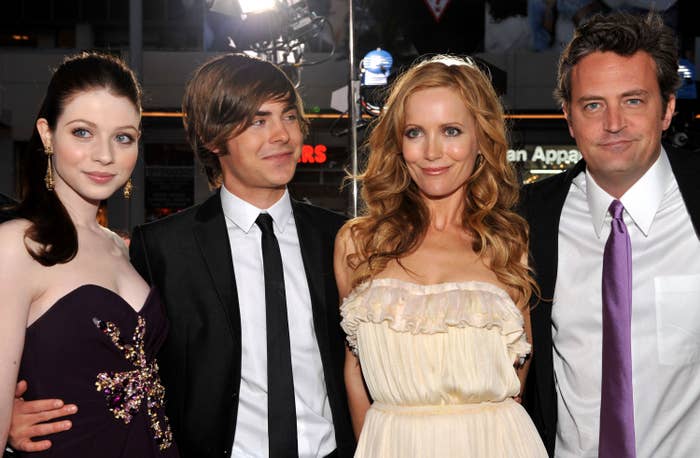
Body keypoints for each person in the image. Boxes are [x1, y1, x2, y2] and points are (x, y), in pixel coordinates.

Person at [8, 53, 355, 457]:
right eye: (258, 120)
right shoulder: (162, 247)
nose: (282, 135)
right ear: (212, 137)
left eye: (290, 116)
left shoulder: (342, 239)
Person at [334, 55, 548, 457]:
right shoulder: (359, 244)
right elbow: (355, 372)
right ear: (397, 143)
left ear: (481, 140)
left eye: (451, 131)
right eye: (415, 132)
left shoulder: (508, 244)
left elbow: (519, 376)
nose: (433, 152)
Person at [520, 12, 700, 457]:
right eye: (593, 105)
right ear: (568, 116)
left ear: (668, 108)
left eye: (634, 101)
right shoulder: (527, 219)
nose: (613, 123)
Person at [0, 52, 178, 456]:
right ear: (47, 134)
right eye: (83, 132)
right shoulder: (16, 246)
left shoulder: (120, 246)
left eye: (123, 137)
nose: (105, 155)